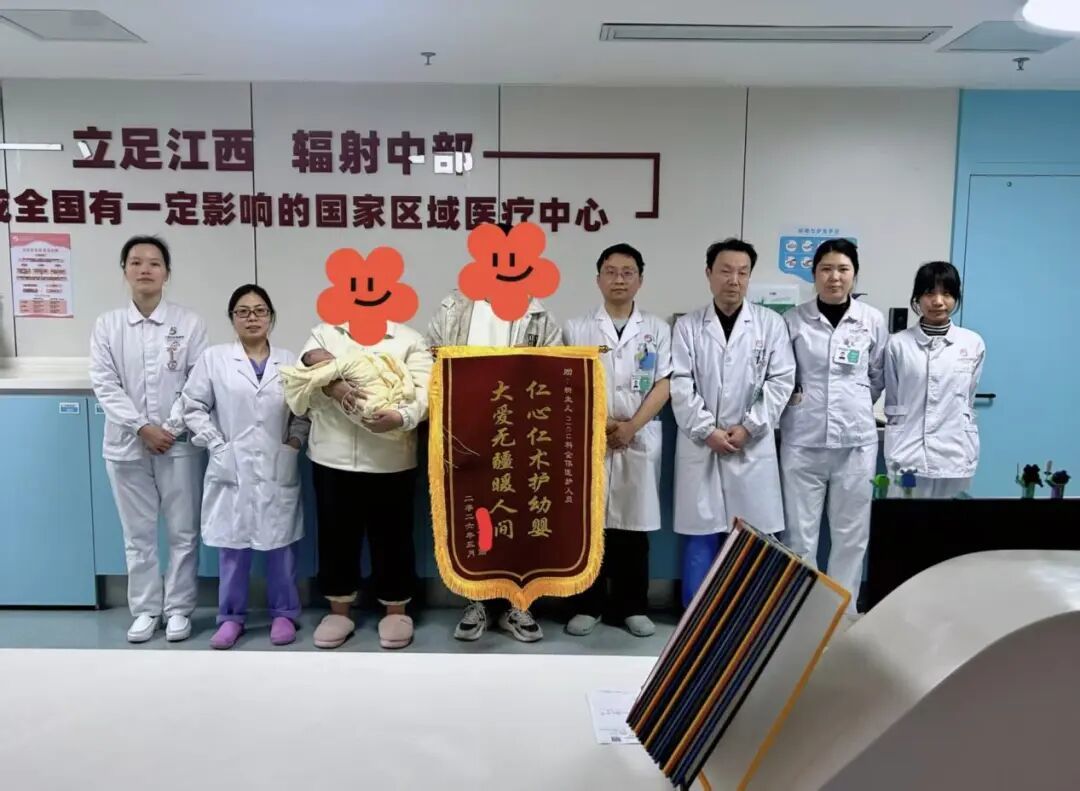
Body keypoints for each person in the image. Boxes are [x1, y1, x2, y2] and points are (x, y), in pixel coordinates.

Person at [427, 222, 562, 644]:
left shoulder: (539, 314)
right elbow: (432, 357)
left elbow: (554, 370)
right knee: (475, 517)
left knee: (519, 519)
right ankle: (476, 601)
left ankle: (518, 605)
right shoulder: (454, 306)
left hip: (520, 435)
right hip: (467, 431)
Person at [89, 235, 208, 643]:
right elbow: (105, 384)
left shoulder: (189, 324)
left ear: (166, 273)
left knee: (183, 533)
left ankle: (178, 610)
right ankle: (145, 609)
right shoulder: (107, 325)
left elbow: (197, 382)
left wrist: (169, 429)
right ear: (124, 270)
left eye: (154, 263)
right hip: (126, 446)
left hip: (178, 446)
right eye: (136, 262)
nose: (145, 269)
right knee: (137, 535)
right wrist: (141, 426)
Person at [181, 285, 309, 649]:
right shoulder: (215, 359)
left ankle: (284, 613)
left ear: (271, 317)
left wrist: (294, 442)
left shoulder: (289, 361)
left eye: (259, 310)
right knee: (232, 547)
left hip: (277, 463)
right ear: (232, 318)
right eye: (243, 311)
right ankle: (231, 618)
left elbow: (304, 410)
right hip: (231, 464)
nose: (252, 318)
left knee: (281, 546)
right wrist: (217, 443)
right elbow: (192, 406)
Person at [671, 238, 795, 607]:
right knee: (701, 535)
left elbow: (781, 381)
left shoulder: (770, 324)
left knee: (750, 538)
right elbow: (680, 383)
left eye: (742, 272)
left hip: (750, 446)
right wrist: (706, 430)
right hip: (702, 446)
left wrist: (749, 427)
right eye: (725, 271)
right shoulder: (688, 326)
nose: (734, 280)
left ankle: (748, 615)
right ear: (709, 274)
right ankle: (696, 616)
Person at [299, 317, 432, 650]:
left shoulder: (409, 339)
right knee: (335, 534)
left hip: (391, 458)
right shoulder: (325, 333)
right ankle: (338, 610)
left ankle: (396, 609)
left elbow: (426, 393)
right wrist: (331, 386)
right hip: (332, 454)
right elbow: (302, 376)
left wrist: (401, 417)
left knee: (393, 535)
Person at [563, 243, 671, 638]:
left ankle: (632, 607)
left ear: (640, 280)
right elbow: (568, 385)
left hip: (639, 436)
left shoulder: (657, 329)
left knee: (634, 528)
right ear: (598, 279)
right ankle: (587, 605)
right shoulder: (576, 328)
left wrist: (631, 427)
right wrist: (604, 423)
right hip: (591, 435)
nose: (619, 279)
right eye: (611, 272)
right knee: (589, 525)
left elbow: (664, 383)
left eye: (628, 272)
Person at [780, 239, 887, 613]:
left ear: (854, 274)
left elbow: (877, 376)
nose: (834, 277)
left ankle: (843, 613)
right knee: (799, 536)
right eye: (826, 269)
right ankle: (802, 613)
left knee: (851, 535)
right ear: (814, 274)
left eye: (843, 269)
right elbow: (784, 376)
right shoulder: (793, 320)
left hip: (855, 444)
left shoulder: (872, 320)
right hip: (802, 441)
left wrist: (851, 403)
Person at [885, 261, 985, 498]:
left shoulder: (973, 343)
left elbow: (968, 397)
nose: (938, 301)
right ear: (917, 297)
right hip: (908, 450)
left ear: (956, 298)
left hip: (955, 449)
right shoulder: (898, 344)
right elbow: (894, 398)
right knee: (904, 516)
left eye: (947, 294)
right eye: (930, 293)